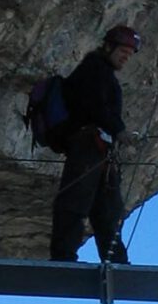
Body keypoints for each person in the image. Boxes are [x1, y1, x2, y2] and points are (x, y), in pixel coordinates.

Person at [49, 23, 138, 263]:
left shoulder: (103, 73)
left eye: (129, 55)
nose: (125, 58)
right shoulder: (94, 69)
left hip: (100, 149)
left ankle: (116, 262)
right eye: (123, 52)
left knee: (108, 211)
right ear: (109, 47)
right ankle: (63, 257)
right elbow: (94, 105)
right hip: (87, 145)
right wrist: (119, 130)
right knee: (76, 200)